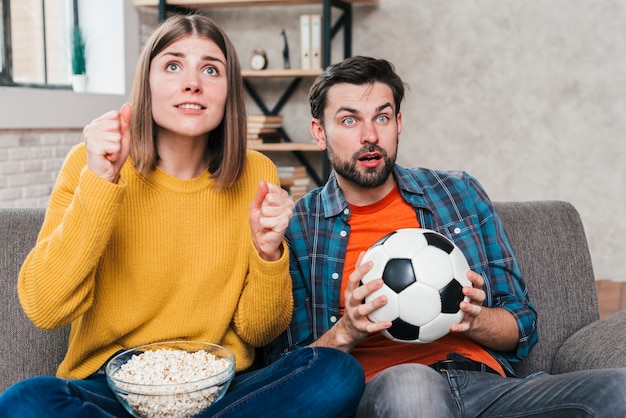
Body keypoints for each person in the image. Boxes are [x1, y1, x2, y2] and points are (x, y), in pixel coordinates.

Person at [0, 14, 364, 418]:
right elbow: (45, 308)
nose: (193, 82)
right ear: (147, 84)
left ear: (228, 91)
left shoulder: (256, 172)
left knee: (335, 372)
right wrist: (101, 182)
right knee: (26, 401)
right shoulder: (89, 166)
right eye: (173, 66)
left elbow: (259, 332)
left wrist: (268, 253)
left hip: (222, 388)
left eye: (211, 69)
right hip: (114, 389)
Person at [264, 55, 626, 417]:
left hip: (485, 387)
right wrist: (347, 330)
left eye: (382, 117)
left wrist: (475, 319)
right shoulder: (299, 227)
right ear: (318, 132)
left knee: (616, 389)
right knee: (414, 385)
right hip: (387, 391)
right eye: (349, 120)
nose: (370, 135)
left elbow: (521, 325)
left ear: (399, 123)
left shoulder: (458, 193)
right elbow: (286, 372)